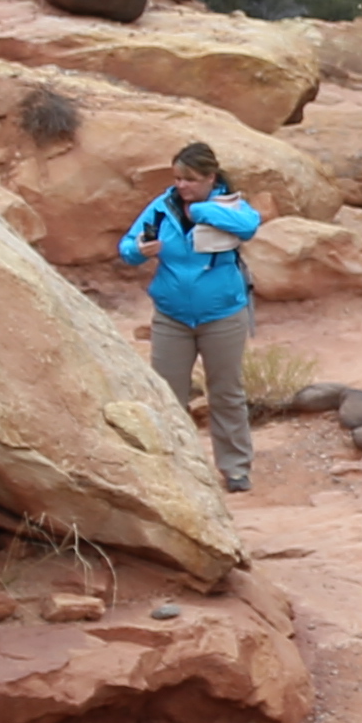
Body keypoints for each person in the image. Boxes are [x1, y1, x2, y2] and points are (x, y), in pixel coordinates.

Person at [115, 140, 266, 492]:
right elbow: (127, 248)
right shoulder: (161, 208)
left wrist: (200, 210)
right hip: (172, 316)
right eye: (178, 179)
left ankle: (236, 468)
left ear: (211, 177)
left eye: (190, 179)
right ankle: (175, 469)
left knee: (226, 393)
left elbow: (248, 226)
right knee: (168, 394)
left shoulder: (227, 203)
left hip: (222, 315)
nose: (181, 186)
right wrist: (139, 251)